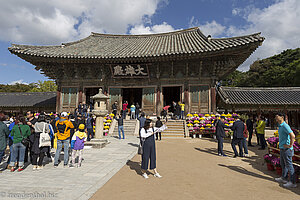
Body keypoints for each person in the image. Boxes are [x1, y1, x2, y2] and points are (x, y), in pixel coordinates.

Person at [274, 113, 297, 188]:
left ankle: (292, 182)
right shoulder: (280, 126)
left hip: (287, 149)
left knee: (289, 165)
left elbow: (292, 135)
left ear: (282, 117)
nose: (276, 119)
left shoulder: (285, 126)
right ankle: (284, 178)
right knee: (283, 164)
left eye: (277, 117)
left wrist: (290, 145)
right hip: (282, 148)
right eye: (275, 117)